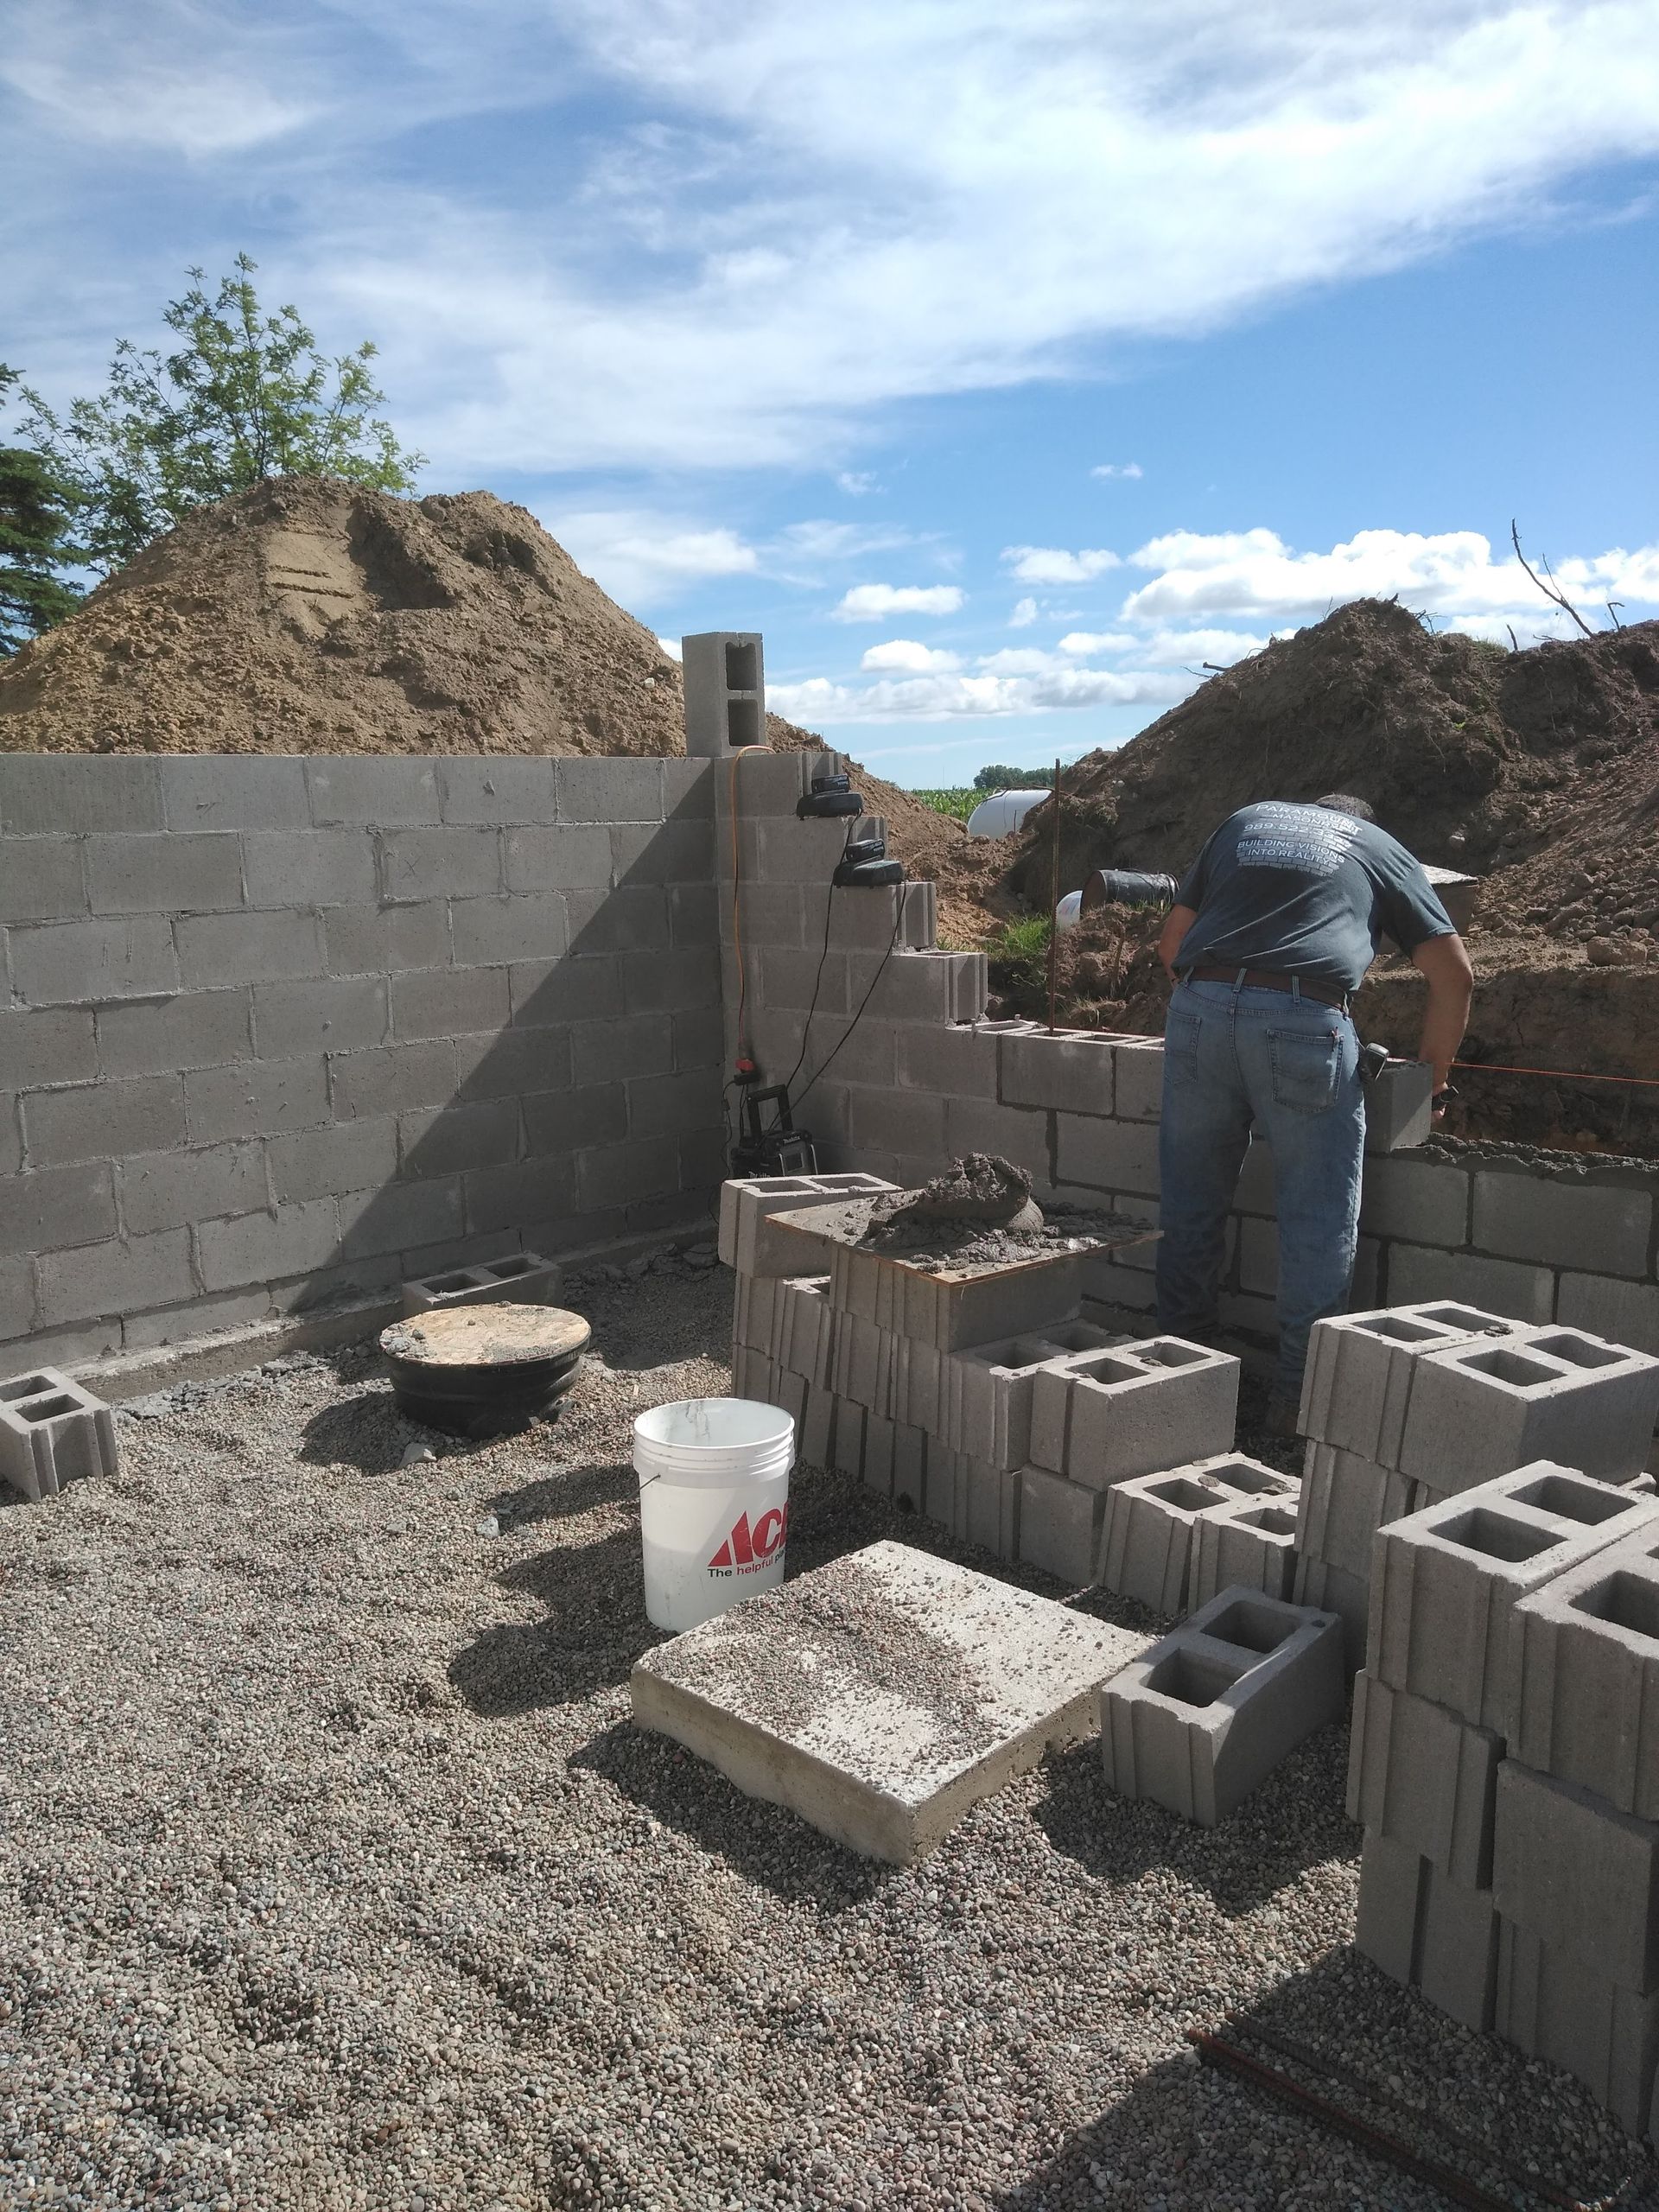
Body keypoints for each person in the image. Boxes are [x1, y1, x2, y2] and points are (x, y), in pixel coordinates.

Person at [1152, 794, 1473, 1428]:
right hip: (1303, 1019)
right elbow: (1455, 975)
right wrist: (1433, 1085)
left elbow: (1172, 945)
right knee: (1317, 1218)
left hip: (1198, 1007)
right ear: (1359, 821)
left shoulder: (1242, 820)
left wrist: (1220, 1015)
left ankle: (1178, 1372)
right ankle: (1297, 1406)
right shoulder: (1380, 850)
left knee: (1191, 1197)